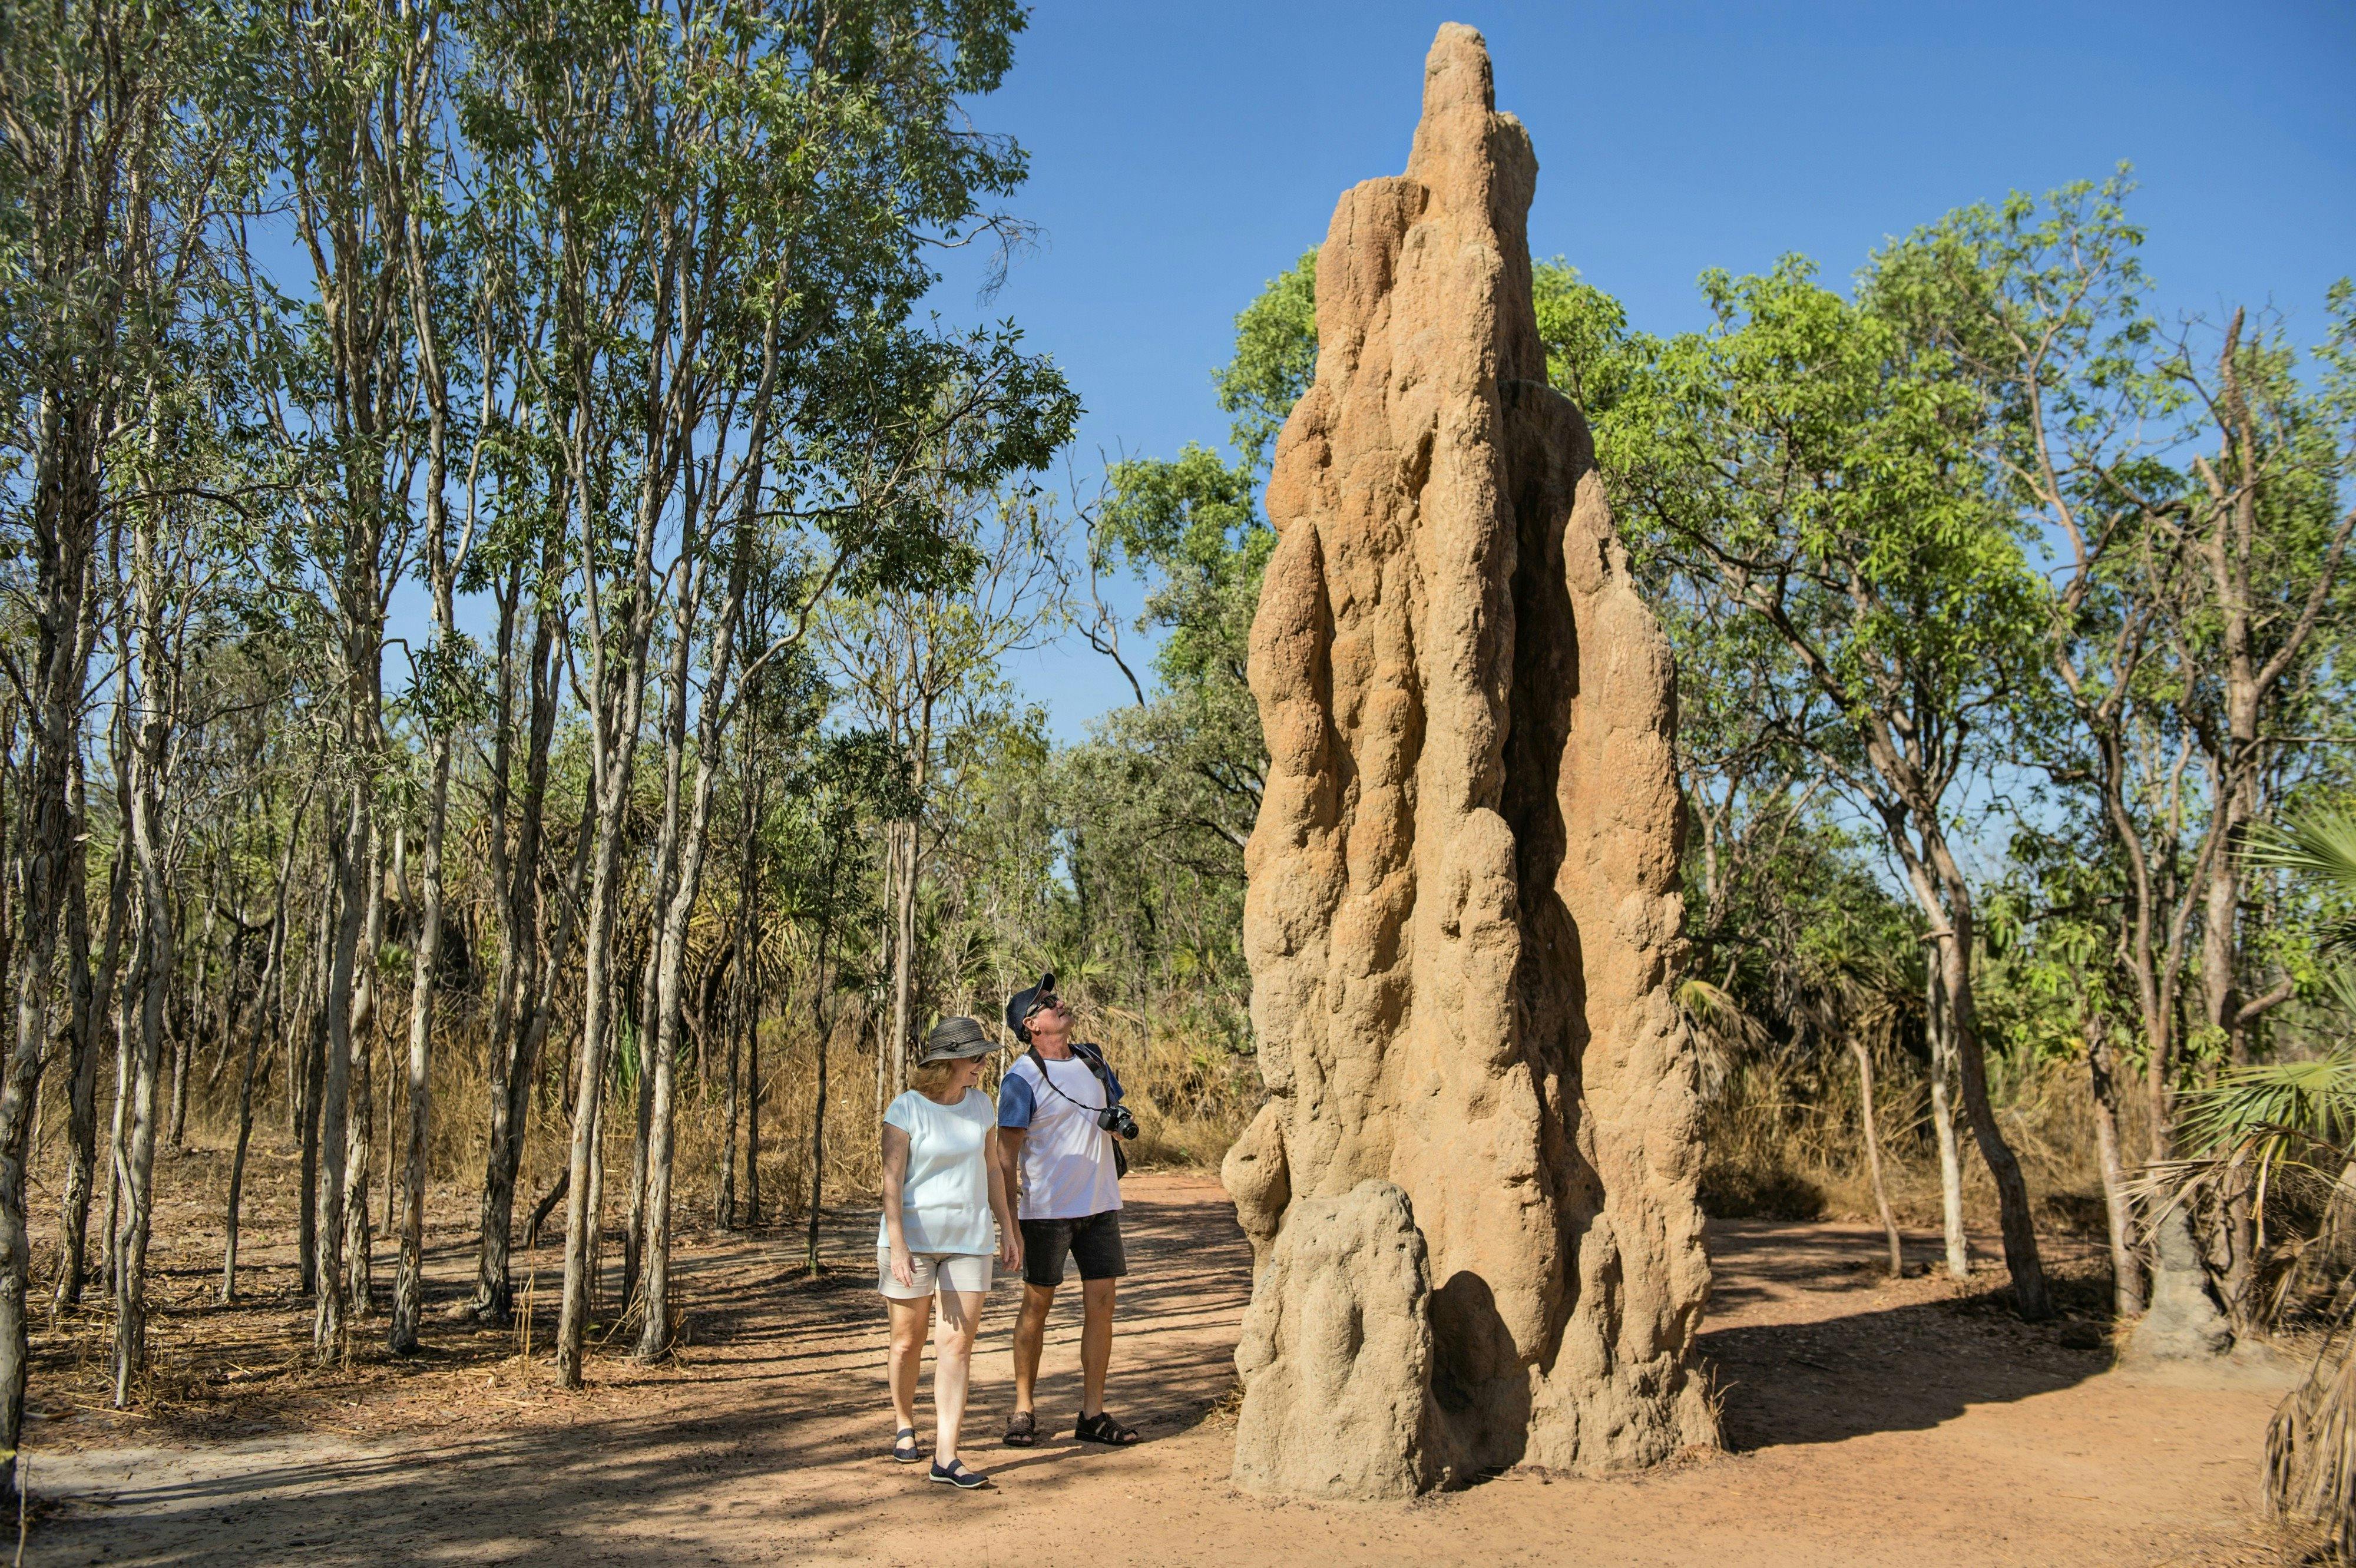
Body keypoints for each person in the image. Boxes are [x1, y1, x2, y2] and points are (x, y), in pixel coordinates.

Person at [995, 972, 1142, 1448]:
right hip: (1047, 1211)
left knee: (1101, 1307)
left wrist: (1121, 1127)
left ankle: (1093, 1414)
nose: (1059, 1004)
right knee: (1037, 1305)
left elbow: (1114, 1118)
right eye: (1047, 1003)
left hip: (1100, 1205)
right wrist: (1009, 1226)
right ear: (1031, 1025)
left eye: (1055, 998)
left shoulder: (1092, 1058)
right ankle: (1023, 1410)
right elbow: (1006, 1155)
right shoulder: (1020, 1078)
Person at [878, 1015, 1021, 1490]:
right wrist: (897, 1244)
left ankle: (947, 1455)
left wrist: (1009, 1228)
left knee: (956, 1346)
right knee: (907, 1341)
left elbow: (994, 1171)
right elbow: (891, 1183)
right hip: (912, 1242)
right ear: (949, 1060)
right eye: (976, 1056)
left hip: (969, 1240)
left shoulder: (982, 1106)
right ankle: (903, 1423)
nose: (983, 1064)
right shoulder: (906, 1108)